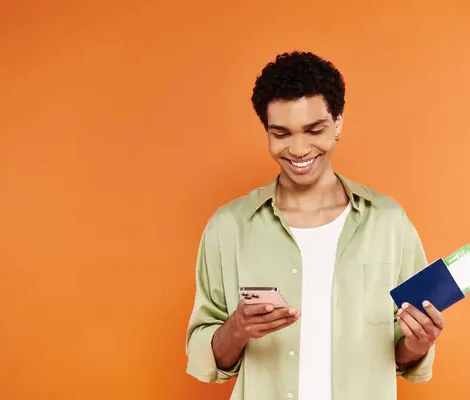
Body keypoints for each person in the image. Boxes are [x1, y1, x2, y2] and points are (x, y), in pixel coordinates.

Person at [185, 51, 446, 400]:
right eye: (281, 133)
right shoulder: (228, 227)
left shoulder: (389, 222)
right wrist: (237, 328)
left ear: (338, 123)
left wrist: (418, 342)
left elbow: (402, 355)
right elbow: (207, 355)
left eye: (314, 129)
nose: (298, 149)